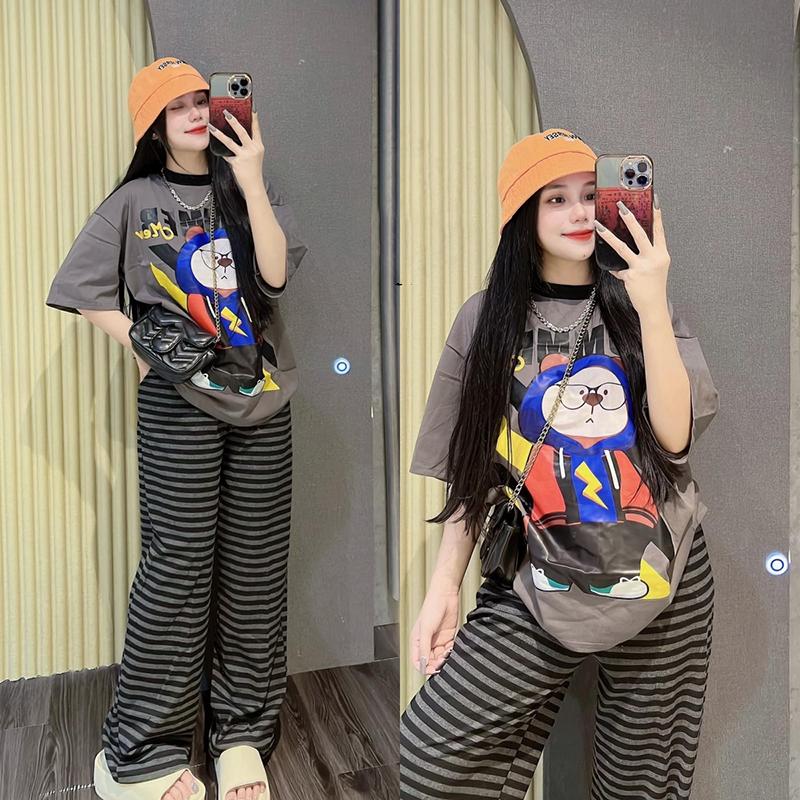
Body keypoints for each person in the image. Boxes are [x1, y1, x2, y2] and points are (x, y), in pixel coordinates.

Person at [400, 128, 719, 799]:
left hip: (662, 580)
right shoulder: (484, 321)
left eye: (590, 195)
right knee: (432, 754)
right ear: (523, 216)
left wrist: (651, 300)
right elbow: (473, 475)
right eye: (556, 198)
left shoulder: (644, 305)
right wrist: (442, 588)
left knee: (638, 785)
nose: (579, 212)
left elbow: (676, 441)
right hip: (538, 578)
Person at [46, 57, 309, 800]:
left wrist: (250, 177)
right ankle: (138, 752)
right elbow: (82, 287)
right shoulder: (134, 202)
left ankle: (242, 735)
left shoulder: (247, 189)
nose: (196, 113)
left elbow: (275, 277)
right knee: (178, 568)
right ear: (155, 127)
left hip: (264, 401)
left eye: (204, 101)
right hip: (178, 404)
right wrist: (137, 341)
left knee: (256, 568)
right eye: (180, 106)